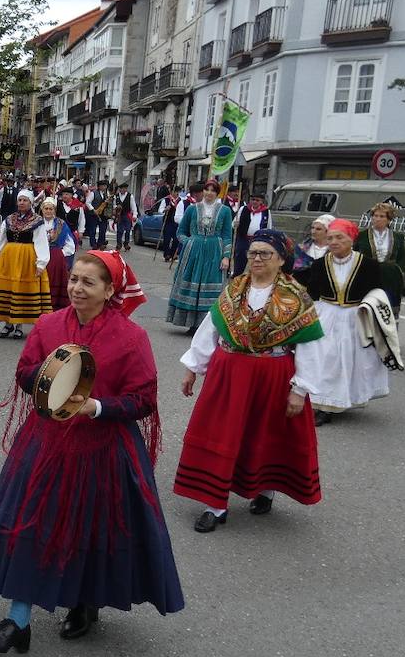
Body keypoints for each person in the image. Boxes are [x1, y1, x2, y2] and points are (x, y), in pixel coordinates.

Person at [0, 250, 183, 651]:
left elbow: (142, 399)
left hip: (101, 449)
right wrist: (49, 376)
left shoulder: (131, 338)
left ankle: (85, 604)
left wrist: (97, 407)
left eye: (88, 282)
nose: (76, 288)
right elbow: (25, 372)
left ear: (109, 290)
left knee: (90, 531)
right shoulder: (50, 324)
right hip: (46, 441)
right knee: (32, 522)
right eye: (73, 279)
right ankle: (18, 620)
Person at [175, 230, 325, 533]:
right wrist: (193, 366)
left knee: (264, 432)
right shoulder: (234, 290)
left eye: (265, 254)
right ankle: (215, 505)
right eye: (253, 253)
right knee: (221, 433)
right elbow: (210, 329)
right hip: (228, 374)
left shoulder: (296, 298)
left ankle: (265, 490)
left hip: (273, 374)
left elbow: (310, 347)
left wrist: (300, 390)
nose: (256, 258)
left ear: (282, 259)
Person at [304, 219, 391, 425]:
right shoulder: (319, 264)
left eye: (339, 237)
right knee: (324, 359)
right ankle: (323, 404)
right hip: (326, 316)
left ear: (351, 239)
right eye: (330, 237)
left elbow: (376, 292)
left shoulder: (368, 265)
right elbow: (312, 293)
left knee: (349, 361)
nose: (333, 242)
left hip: (354, 317)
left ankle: (340, 399)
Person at [166, 180, 234, 331]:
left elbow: (227, 235)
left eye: (213, 191)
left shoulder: (224, 211)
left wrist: (226, 256)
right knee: (192, 283)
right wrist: (190, 242)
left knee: (210, 286)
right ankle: (190, 323)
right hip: (193, 253)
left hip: (214, 252)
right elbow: (180, 232)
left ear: (218, 193)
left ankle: (206, 326)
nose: (209, 193)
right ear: (203, 191)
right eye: (207, 190)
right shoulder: (192, 209)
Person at [0, 190, 53, 340]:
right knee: (8, 289)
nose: (22, 203)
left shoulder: (37, 221)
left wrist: (41, 263)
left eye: (25, 200)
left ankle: (19, 325)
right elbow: (1, 241)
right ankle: (7, 323)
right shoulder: (9, 219)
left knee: (22, 289)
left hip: (27, 258)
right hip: (9, 258)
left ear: (31, 203)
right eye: (20, 200)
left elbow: (41, 242)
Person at [356, 202, 405, 316]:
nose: (377, 219)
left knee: (386, 310)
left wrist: (398, 271)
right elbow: (354, 254)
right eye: (375, 216)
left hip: (389, 278)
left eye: (382, 216)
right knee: (367, 307)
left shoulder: (397, 237)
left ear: (389, 220)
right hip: (367, 276)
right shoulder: (362, 235)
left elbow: (403, 258)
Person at [37, 197, 76, 310]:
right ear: (42, 209)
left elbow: (70, 245)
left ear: (54, 210)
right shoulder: (36, 223)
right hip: (39, 256)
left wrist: (59, 254)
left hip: (55, 258)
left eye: (51, 209)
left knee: (54, 282)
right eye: (46, 208)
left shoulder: (61, 224)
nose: (48, 211)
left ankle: (54, 307)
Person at [231, 192, 271, 275]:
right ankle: (237, 276)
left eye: (257, 200)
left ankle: (254, 277)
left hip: (257, 240)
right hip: (243, 239)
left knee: (256, 259)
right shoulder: (243, 209)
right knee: (240, 258)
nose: (255, 202)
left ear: (261, 202)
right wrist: (235, 224)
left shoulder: (266, 212)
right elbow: (234, 223)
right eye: (253, 200)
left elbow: (269, 227)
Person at [113, 182, 138, 251]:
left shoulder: (130, 196)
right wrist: (116, 207)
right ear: (120, 189)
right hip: (119, 215)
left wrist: (135, 215)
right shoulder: (116, 196)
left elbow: (133, 207)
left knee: (128, 230)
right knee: (119, 230)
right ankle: (119, 244)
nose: (123, 190)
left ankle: (126, 243)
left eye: (125, 188)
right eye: (122, 188)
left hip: (127, 215)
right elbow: (114, 205)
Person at [86, 179, 111, 249]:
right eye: (103, 186)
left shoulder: (107, 193)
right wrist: (93, 209)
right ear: (99, 186)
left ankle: (100, 243)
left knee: (103, 229)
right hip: (94, 214)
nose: (104, 187)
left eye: (105, 186)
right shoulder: (93, 193)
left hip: (103, 215)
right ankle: (93, 244)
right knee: (93, 230)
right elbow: (87, 202)